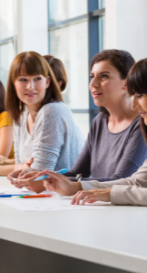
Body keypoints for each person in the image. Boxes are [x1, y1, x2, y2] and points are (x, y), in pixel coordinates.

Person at [13, 50, 147, 192]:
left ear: (127, 83)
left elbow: (121, 180)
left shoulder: (141, 123)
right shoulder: (99, 121)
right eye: (92, 76)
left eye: (104, 76)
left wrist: (65, 182)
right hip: (98, 206)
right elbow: (77, 173)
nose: (93, 84)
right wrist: (46, 177)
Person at [0, 51, 85, 179]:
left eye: (37, 79)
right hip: (43, 193)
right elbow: (20, 165)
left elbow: (39, 173)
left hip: (70, 195)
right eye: (23, 79)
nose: (30, 86)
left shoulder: (52, 111)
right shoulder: (21, 115)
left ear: (47, 82)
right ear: (13, 83)